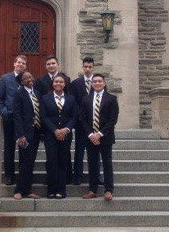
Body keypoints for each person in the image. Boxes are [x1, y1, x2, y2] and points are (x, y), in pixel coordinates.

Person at [80, 73, 119, 201]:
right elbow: (83, 119)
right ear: (91, 84)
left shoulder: (112, 98)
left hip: (105, 137)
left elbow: (112, 120)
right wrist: (91, 135)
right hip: (90, 138)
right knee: (92, 164)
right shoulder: (86, 99)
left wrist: (99, 134)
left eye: (99, 81)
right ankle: (93, 190)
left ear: (104, 83)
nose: (97, 83)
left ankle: (108, 190)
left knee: (107, 163)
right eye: (94, 81)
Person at [40, 73, 78, 199]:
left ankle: (61, 190)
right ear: (53, 83)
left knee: (62, 162)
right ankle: (51, 190)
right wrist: (55, 130)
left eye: (61, 82)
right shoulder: (45, 98)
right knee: (51, 162)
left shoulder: (71, 98)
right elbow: (43, 117)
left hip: (65, 135)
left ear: (64, 84)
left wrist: (66, 129)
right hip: (50, 135)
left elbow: (74, 117)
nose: (58, 84)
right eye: (56, 81)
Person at [0, 55, 27, 185]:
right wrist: (3, 112)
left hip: (24, 120)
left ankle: (23, 176)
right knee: (9, 148)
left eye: (23, 63)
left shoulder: (28, 79)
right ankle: (9, 176)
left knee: (24, 148)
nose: (20, 64)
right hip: (9, 118)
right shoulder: (5, 79)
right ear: (14, 64)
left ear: (25, 66)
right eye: (18, 62)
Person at [70, 57, 101, 185]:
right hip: (81, 123)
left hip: (96, 123)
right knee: (79, 150)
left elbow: (102, 102)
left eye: (90, 67)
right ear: (82, 67)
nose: (87, 69)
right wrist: (81, 118)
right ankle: (77, 177)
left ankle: (96, 177)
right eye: (85, 67)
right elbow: (73, 103)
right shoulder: (75, 83)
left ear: (93, 67)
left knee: (95, 152)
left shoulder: (98, 83)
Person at [13, 71, 42, 200]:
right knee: (24, 162)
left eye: (30, 76)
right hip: (25, 134)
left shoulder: (36, 93)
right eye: (25, 78)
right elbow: (17, 115)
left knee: (30, 162)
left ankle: (28, 190)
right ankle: (19, 190)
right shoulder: (19, 93)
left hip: (36, 132)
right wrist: (20, 135)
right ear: (21, 81)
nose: (29, 79)